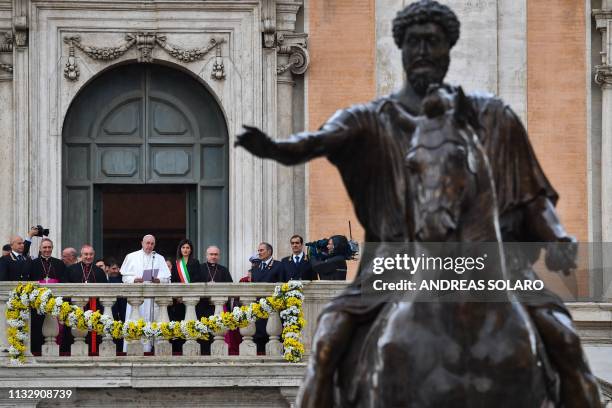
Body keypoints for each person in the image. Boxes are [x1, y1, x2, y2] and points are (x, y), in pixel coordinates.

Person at [236, 1, 599, 406]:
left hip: (495, 270)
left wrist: (558, 237)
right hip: (393, 266)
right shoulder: (372, 118)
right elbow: (319, 140)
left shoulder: (495, 117)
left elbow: (532, 197)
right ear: (402, 49)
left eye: (433, 42)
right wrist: (274, 148)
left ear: (449, 49)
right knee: (326, 343)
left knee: (565, 342)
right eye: (414, 42)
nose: (423, 50)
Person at [121, 234, 171, 352]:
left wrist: (158, 280)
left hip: (153, 300)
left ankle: (152, 350)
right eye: (147, 243)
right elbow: (124, 277)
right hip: (137, 299)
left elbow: (167, 279)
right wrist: (134, 279)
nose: (149, 246)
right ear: (142, 243)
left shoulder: (159, 258)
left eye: (152, 243)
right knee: (135, 322)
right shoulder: (131, 256)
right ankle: (133, 349)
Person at [26, 237, 67, 355]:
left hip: (55, 300)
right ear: (40, 249)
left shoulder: (59, 263)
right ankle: (37, 351)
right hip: (38, 301)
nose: (47, 250)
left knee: (56, 327)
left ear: (52, 248)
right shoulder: (33, 263)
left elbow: (64, 282)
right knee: (37, 326)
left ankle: (57, 351)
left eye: (49, 247)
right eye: (44, 247)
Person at [66, 244, 107, 355]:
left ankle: (93, 352)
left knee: (93, 330)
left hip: (95, 308)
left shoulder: (99, 272)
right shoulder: (71, 269)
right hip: (76, 307)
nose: (88, 257)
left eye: (91, 254)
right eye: (86, 254)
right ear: (81, 255)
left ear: (94, 255)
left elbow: (105, 291)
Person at [198, 245, 232, 354]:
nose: (213, 257)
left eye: (216, 254)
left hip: (219, 307)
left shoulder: (224, 270)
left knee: (218, 332)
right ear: (207, 255)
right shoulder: (200, 268)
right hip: (203, 306)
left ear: (219, 256)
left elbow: (230, 286)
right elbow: (195, 285)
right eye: (211, 254)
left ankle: (218, 353)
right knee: (204, 333)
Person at [169, 239, 201, 354]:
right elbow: (173, 281)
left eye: (187, 248)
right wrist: (177, 296)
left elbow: (198, 280)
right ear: (180, 249)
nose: (185, 250)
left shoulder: (195, 262)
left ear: (191, 249)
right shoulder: (176, 263)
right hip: (179, 300)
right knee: (178, 323)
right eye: (183, 248)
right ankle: (178, 349)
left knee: (190, 323)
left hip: (191, 299)